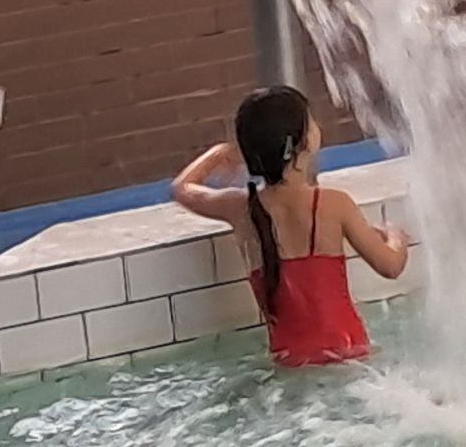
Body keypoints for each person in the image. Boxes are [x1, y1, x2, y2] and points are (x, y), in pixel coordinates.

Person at [171, 86, 410, 368]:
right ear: (304, 142)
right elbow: (390, 266)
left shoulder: (240, 208)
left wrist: (218, 154)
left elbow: (182, 188)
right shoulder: (333, 204)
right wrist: (396, 236)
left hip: (289, 364)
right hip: (350, 356)